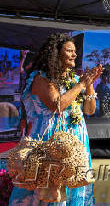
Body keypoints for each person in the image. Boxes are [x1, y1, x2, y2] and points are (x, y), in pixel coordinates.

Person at [9, 33, 103, 206]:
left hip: (76, 143)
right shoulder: (41, 78)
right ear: (56, 53)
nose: (75, 55)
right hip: (49, 143)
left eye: (75, 51)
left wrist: (89, 84)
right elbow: (57, 105)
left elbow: (89, 110)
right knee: (46, 193)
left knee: (72, 190)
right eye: (69, 50)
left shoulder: (73, 80)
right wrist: (81, 85)